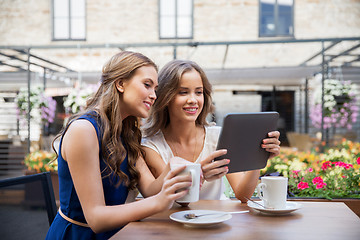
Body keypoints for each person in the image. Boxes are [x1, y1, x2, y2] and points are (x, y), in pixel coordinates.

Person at [46, 52, 192, 239]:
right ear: (120, 84)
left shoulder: (127, 133)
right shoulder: (84, 131)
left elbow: (150, 189)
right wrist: (159, 202)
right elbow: (96, 219)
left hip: (118, 234)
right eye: (147, 85)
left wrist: (173, 170)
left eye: (155, 88)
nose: (154, 95)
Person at [142, 60, 281, 203]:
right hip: (174, 221)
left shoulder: (218, 137)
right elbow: (177, 201)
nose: (193, 100)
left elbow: (243, 195)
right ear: (166, 97)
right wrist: (199, 173)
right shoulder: (152, 146)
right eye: (183, 92)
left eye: (198, 92)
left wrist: (257, 157)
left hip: (217, 220)